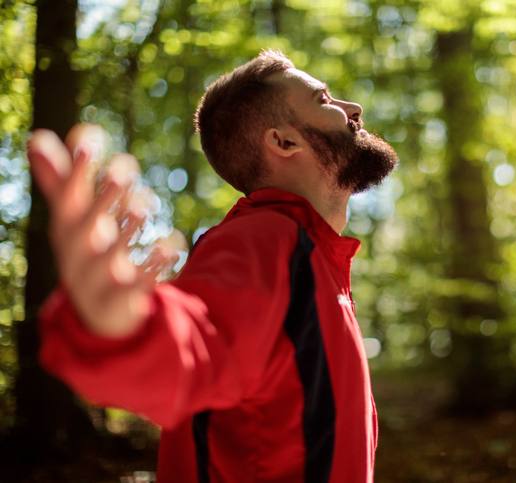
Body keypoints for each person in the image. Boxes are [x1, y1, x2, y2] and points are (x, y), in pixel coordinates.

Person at [27, 50, 398, 483]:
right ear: (283, 142)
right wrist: (119, 329)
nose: (353, 109)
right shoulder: (264, 241)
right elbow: (193, 348)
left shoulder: (313, 254)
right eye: (323, 99)